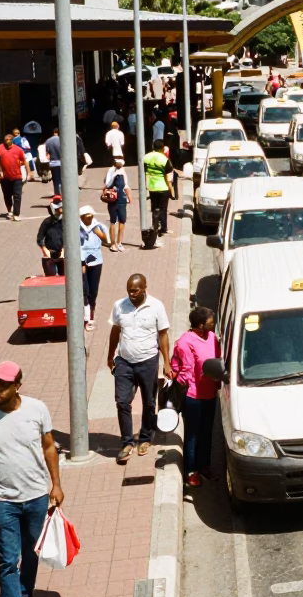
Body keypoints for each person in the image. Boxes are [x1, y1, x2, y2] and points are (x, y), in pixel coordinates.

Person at [0, 361, 64, 597]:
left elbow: (49, 446)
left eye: (4, 386)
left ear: (18, 386)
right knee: (7, 560)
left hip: (37, 496)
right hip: (1, 500)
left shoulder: (37, 409)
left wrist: (56, 485)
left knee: (31, 552)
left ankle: (25, 592)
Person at [107, 273, 171, 463]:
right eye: (129, 291)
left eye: (134, 290)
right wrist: (110, 356)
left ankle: (145, 437)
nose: (131, 294)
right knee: (122, 401)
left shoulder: (156, 306)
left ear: (144, 288)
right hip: (124, 362)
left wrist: (166, 361)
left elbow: (163, 335)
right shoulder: (120, 305)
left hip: (148, 361)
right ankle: (127, 442)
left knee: (149, 402)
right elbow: (115, 331)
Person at [171, 307, 220, 487]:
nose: (213, 323)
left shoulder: (213, 338)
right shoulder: (184, 342)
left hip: (210, 394)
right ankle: (191, 471)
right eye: (210, 320)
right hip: (193, 396)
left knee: (207, 433)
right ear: (200, 324)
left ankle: (204, 466)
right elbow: (181, 369)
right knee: (193, 435)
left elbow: (218, 361)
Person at [79, 206, 108, 330]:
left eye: (91, 216)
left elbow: (108, 241)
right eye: (87, 217)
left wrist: (99, 233)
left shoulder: (99, 226)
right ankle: (85, 318)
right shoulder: (76, 227)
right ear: (81, 217)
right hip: (81, 261)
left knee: (93, 291)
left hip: (96, 261)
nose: (90, 219)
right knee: (84, 289)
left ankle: (91, 314)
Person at [0, 132, 28, 221]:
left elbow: (24, 161)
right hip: (4, 177)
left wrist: (29, 172)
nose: (7, 142)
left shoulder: (18, 149)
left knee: (17, 195)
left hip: (17, 176)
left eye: (9, 140)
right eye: (6, 140)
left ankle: (16, 214)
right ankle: (9, 211)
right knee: (7, 195)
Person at [144, 139, 174, 239]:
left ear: (153, 147)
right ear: (162, 148)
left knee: (154, 208)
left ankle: (154, 226)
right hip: (163, 187)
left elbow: (144, 170)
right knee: (163, 209)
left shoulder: (146, 157)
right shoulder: (164, 159)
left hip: (151, 187)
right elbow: (168, 174)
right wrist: (171, 189)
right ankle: (164, 228)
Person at [103, 156, 131, 252]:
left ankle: (119, 242)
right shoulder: (111, 171)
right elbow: (107, 183)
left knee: (122, 221)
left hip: (122, 200)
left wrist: (129, 197)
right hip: (113, 200)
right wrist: (114, 175)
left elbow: (126, 185)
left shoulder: (123, 171)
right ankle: (113, 243)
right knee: (113, 221)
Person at [36, 196, 66, 276]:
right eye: (60, 207)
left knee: (65, 279)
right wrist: (45, 250)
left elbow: (70, 237)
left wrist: (64, 250)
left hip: (63, 254)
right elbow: (40, 238)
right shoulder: (47, 222)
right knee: (50, 279)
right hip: (49, 254)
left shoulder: (65, 222)